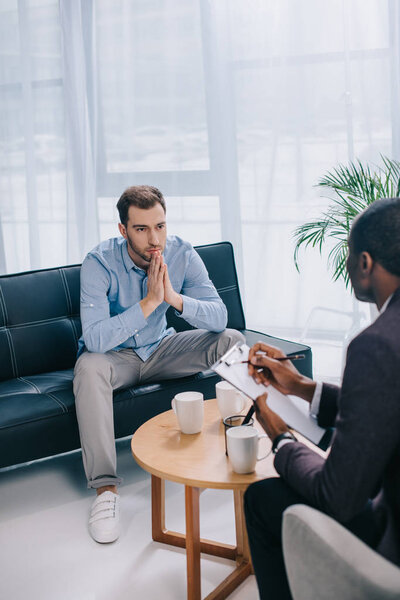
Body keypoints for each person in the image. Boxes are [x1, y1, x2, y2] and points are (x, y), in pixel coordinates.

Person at [244, 197, 400, 599]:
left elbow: (339, 497)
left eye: (349, 254)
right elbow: (386, 403)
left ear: (365, 262)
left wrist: (281, 439)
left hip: (393, 548)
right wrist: (300, 386)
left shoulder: (376, 345)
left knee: (262, 499)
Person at [73, 185, 244, 543]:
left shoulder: (182, 252)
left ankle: (244, 443)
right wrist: (149, 304)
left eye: (160, 226)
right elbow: (96, 341)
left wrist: (174, 299)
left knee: (232, 341)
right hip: (115, 360)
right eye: (142, 229)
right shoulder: (98, 262)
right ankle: (106, 491)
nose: (155, 239)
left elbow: (219, 316)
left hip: (163, 350)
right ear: (123, 230)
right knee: (88, 367)